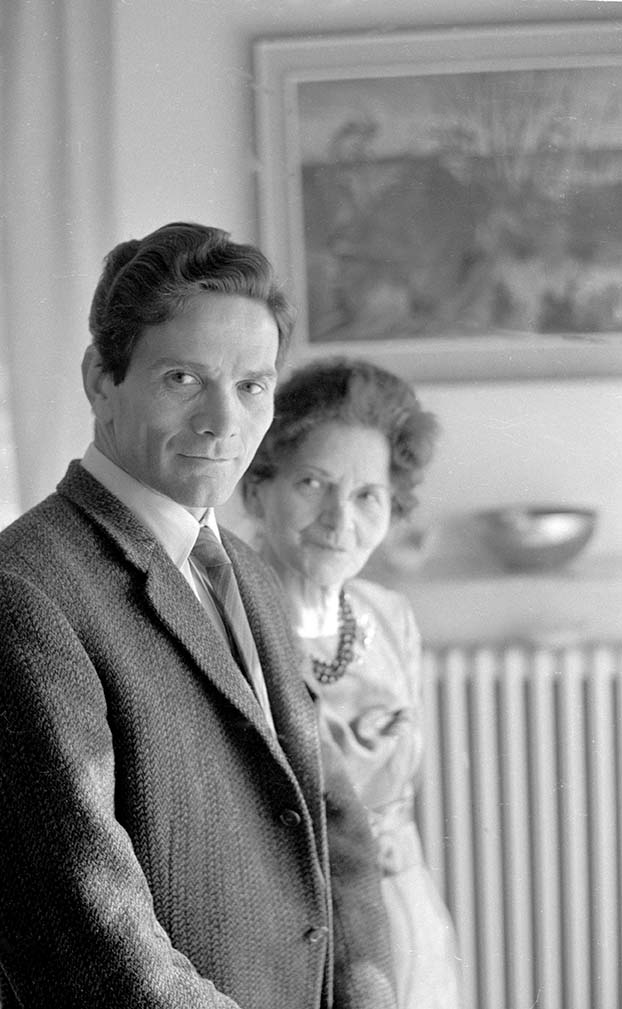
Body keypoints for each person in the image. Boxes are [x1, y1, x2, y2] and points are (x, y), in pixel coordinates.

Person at [0, 225, 397, 1009]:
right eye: (184, 377)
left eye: (252, 385)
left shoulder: (244, 568)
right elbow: (94, 953)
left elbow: (332, 823)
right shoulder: (19, 600)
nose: (225, 420)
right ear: (101, 377)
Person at [242, 357, 463, 1009]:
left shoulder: (390, 617)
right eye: (313, 482)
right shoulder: (227, 623)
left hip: (408, 925)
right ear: (259, 487)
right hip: (294, 947)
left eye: (368, 494)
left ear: (394, 507)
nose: (341, 519)